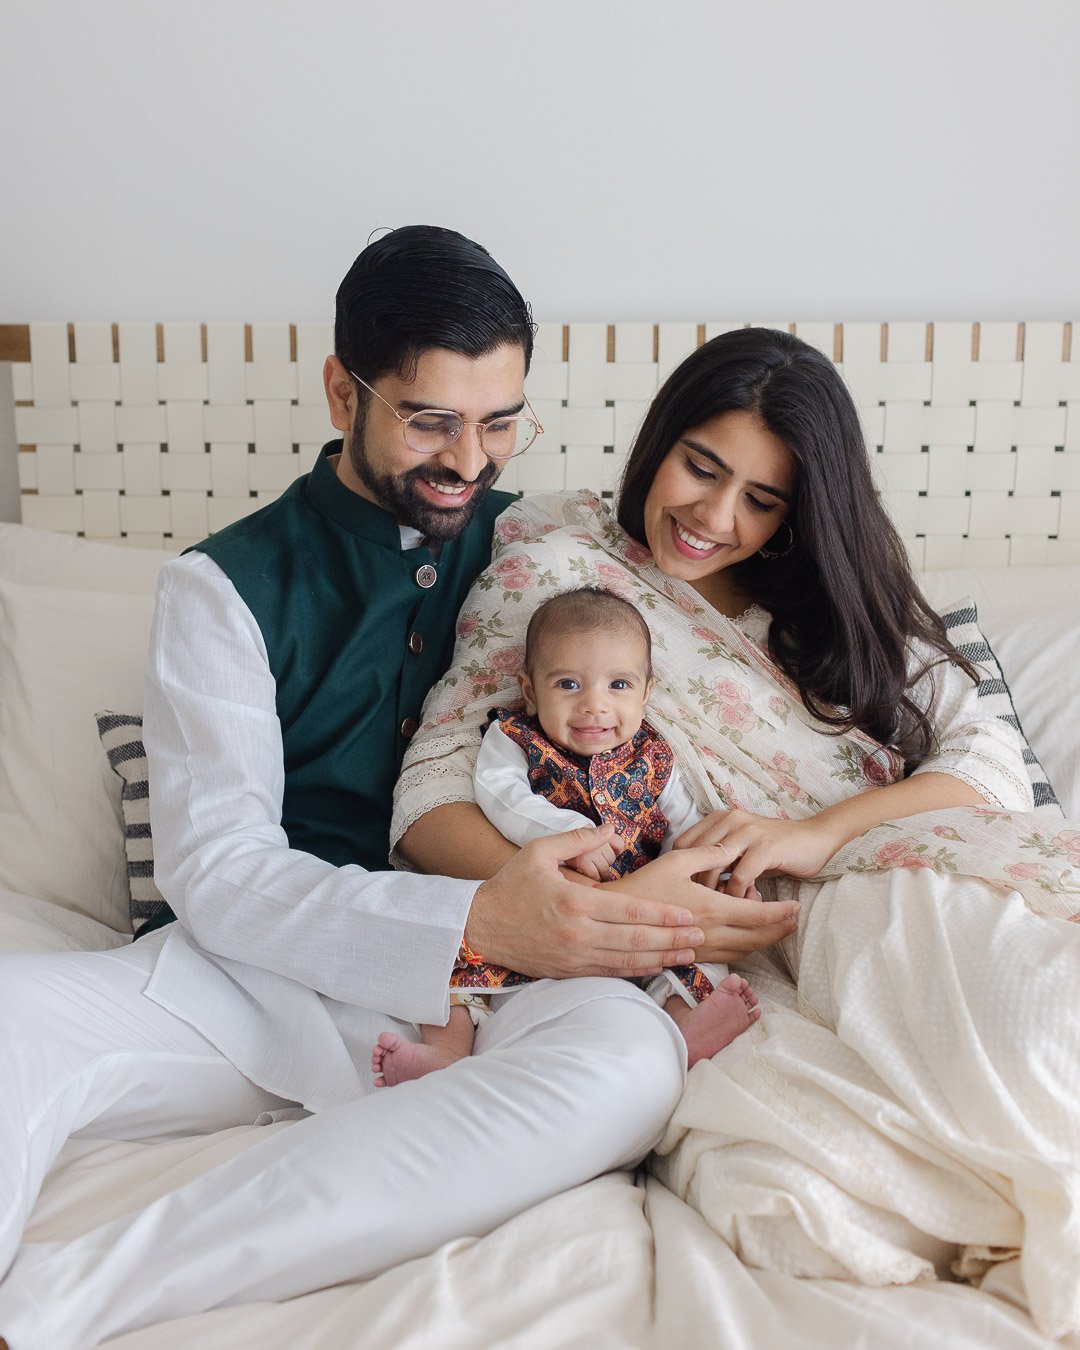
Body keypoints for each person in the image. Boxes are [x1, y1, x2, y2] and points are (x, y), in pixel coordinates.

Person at [0, 229, 798, 1350]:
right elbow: (216, 870)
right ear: (343, 390)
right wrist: (471, 915)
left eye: (502, 420)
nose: (472, 462)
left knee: (627, 1072)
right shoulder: (222, 585)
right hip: (252, 984)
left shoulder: (546, 545)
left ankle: (59, 1303)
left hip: (518, 992)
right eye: (433, 421)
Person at [393, 327, 1080, 1338]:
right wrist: (597, 912)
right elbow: (428, 804)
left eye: (763, 500)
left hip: (891, 881)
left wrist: (818, 835)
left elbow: (985, 771)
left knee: (1037, 1027)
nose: (714, 517)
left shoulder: (839, 600)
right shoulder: (558, 568)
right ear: (658, 439)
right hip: (723, 953)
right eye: (699, 468)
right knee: (794, 1216)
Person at [371, 586, 760, 1089]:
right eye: (569, 685)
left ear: (646, 692)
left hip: (632, 909)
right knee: (447, 947)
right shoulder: (514, 739)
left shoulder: (656, 758)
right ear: (530, 691)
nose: (594, 706)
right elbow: (500, 794)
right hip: (533, 903)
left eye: (618, 684)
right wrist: (568, 831)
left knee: (693, 944)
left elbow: (683, 829)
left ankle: (686, 1034)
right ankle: (444, 1052)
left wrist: (713, 877)